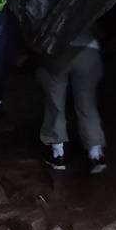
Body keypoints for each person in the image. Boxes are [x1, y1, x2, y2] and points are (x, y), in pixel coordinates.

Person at [37, 30, 107, 174]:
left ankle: (58, 155)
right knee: (87, 104)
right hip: (88, 49)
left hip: (56, 50)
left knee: (55, 103)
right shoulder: (86, 6)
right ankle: (96, 154)